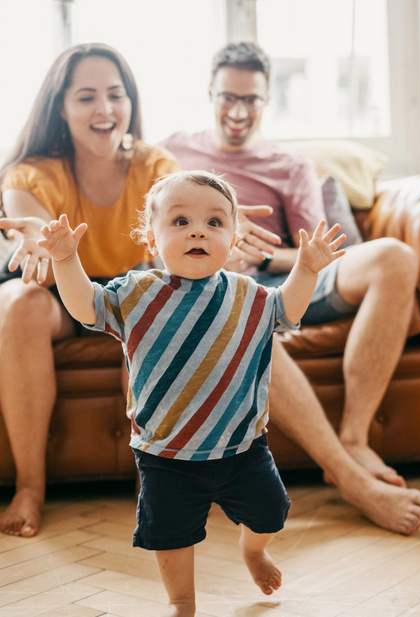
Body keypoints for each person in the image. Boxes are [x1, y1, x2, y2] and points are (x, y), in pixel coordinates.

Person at [0, 41, 297, 539]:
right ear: (61, 107)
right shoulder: (34, 169)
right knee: (18, 301)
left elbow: (190, 215)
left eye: (116, 94)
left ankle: (160, 483)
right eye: (86, 96)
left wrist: (222, 226)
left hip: (135, 291)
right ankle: (30, 486)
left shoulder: (153, 164)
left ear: (131, 103)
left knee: (160, 306)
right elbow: (24, 221)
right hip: (61, 288)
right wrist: (25, 235)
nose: (105, 109)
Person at [37, 169, 346, 614]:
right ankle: (181, 601)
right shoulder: (135, 293)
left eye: (215, 223)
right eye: (180, 221)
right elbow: (86, 306)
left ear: (233, 237)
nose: (198, 230)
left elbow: (288, 310)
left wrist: (307, 267)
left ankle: (253, 551)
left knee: (270, 514)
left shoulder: (251, 295)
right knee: (172, 535)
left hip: (243, 447)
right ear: (150, 239)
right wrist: (67, 261)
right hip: (166, 453)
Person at [159, 41, 420, 535]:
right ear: (209, 94)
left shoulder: (290, 165)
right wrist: (219, 250)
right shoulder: (173, 152)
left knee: (395, 256)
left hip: (287, 276)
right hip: (220, 287)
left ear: (266, 101)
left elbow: (320, 248)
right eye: (228, 97)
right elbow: (154, 233)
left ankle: (353, 437)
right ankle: (351, 480)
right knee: (242, 310)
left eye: (251, 100)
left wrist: (261, 252)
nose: (239, 111)